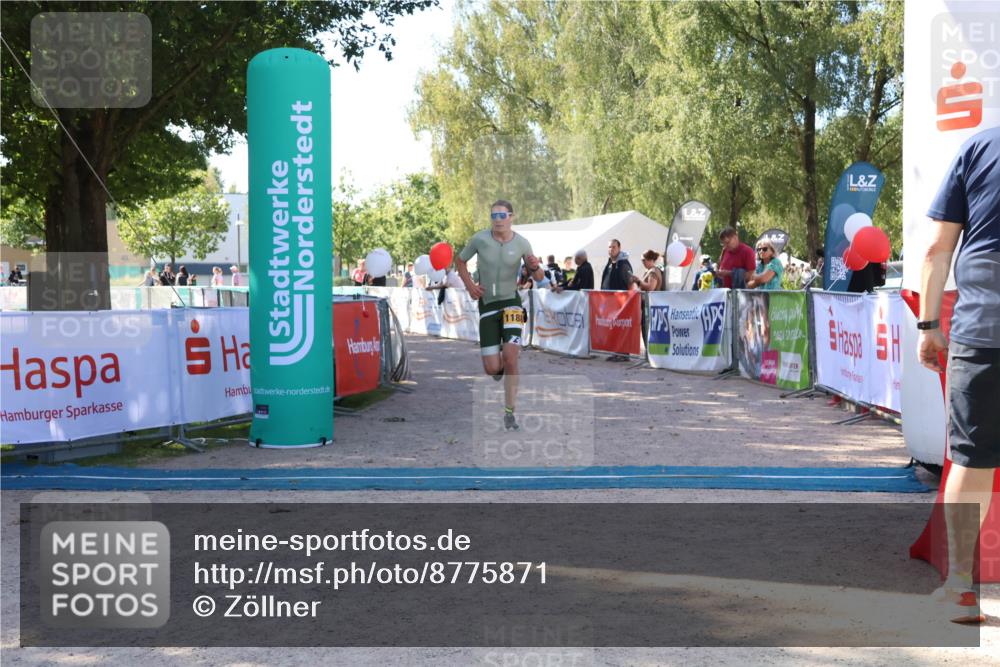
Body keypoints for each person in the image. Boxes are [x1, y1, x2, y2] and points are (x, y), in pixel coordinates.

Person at [918, 126, 999, 625]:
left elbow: (936, 251)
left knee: (972, 456)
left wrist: (929, 326)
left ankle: (961, 590)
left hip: (985, 328)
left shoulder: (978, 148)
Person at [456, 199, 546, 431]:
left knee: (511, 357)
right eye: (494, 216)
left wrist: (535, 267)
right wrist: (469, 285)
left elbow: (538, 277)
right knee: (492, 368)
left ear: (511, 217)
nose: (497, 220)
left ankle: (509, 412)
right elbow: (460, 260)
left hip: (512, 304)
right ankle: (500, 370)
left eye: (502, 216)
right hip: (487, 305)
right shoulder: (480, 239)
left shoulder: (523, 243)